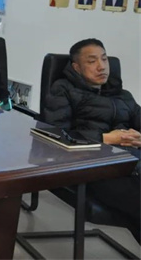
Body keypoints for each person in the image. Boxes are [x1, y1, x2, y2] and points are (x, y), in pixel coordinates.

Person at [43, 39, 140, 243]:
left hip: (132, 161)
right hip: (94, 166)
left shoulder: (123, 95)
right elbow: (55, 134)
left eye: (104, 59)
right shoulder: (63, 90)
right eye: (92, 61)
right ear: (76, 67)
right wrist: (106, 138)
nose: (101, 66)